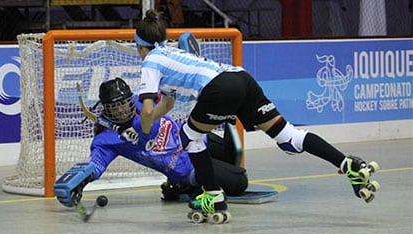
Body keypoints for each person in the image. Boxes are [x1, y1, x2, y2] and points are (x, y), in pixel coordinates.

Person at [134, 9, 379, 218]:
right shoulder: (172, 52)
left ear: (138, 46)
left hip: (219, 88)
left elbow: (146, 109)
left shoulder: (150, 62)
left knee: (190, 137)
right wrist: (150, 123)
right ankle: (348, 164)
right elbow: (166, 105)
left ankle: (213, 196)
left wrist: (145, 135)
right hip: (242, 79)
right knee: (288, 137)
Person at [53, 78, 248, 208]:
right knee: (240, 182)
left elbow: (167, 88)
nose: (121, 111)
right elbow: (96, 165)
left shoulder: (144, 100)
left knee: (234, 155)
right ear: (105, 109)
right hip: (187, 168)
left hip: (194, 140)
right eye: (114, 108)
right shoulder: (106, 139)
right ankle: (186, 186)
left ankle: (183, 188)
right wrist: (80, 180)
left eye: (123, 104)